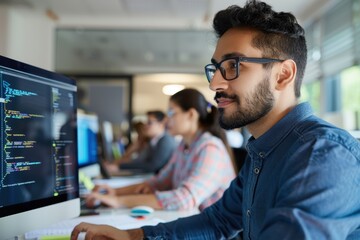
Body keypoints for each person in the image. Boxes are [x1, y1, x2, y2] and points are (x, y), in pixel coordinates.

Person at [72, 1, 360, 239]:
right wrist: (132, 236)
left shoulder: (323, 154)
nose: (214, 84)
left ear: (283, 75)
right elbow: (217, 221)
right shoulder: (264, 151)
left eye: (233, 66)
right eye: (216, 68)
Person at [83, 88, 235, 211]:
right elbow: (159, 181)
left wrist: (118, 201)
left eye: (171, 113)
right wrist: (115, 192)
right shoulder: (184, 146)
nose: (167, 120)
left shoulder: (210, 148)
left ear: (191, 115)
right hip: (196, 221)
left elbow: (184, 199)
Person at [105, 110, 176, 174]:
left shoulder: (165, 141)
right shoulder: (153, 141)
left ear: (161, 124)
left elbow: (152, 166)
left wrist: (119, 167)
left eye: (149, 122)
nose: (145, 125)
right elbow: (139, 161)